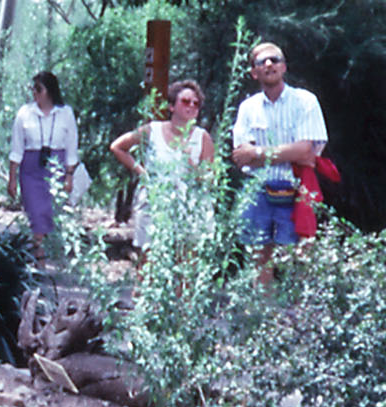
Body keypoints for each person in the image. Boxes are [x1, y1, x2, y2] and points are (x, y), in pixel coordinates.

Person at [231, 41, 328, 285]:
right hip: (257, 191)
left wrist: (258, 152)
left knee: (298, 258)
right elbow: (241, 156)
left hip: (296, 190)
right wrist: (290, 152)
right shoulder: (247, 108)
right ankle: (264, 307)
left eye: (274, 59)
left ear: (284, 67)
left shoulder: (305, 101)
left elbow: (306, 151)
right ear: (254, 72)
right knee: (258, 259)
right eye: (261, 62)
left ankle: (298, 307)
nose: (269, 64)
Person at [109, 79, 216, 261]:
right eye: (185, 101)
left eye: (196, 103)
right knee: (148, 263)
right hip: (154, 205)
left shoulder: (202, 138)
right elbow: (117, 147)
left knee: (186, 264)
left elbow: (210, 178)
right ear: (172, 106)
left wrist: (194, 168)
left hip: (188, 209)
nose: (191, 106)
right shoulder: (153, 131)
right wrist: (141, 172)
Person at [7, 71, 79, 252]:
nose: (35, 93)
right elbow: (16, 149)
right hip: (31, 170)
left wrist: (69, 176)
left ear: (51, 91)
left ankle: (46, 253)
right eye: (33, 89)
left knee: (50, 215)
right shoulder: (25, 113)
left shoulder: (65, 113)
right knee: (35, 214)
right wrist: (12, 178)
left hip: (56, 168)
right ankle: (39, 257)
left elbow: (71, 147)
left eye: (39, 89)